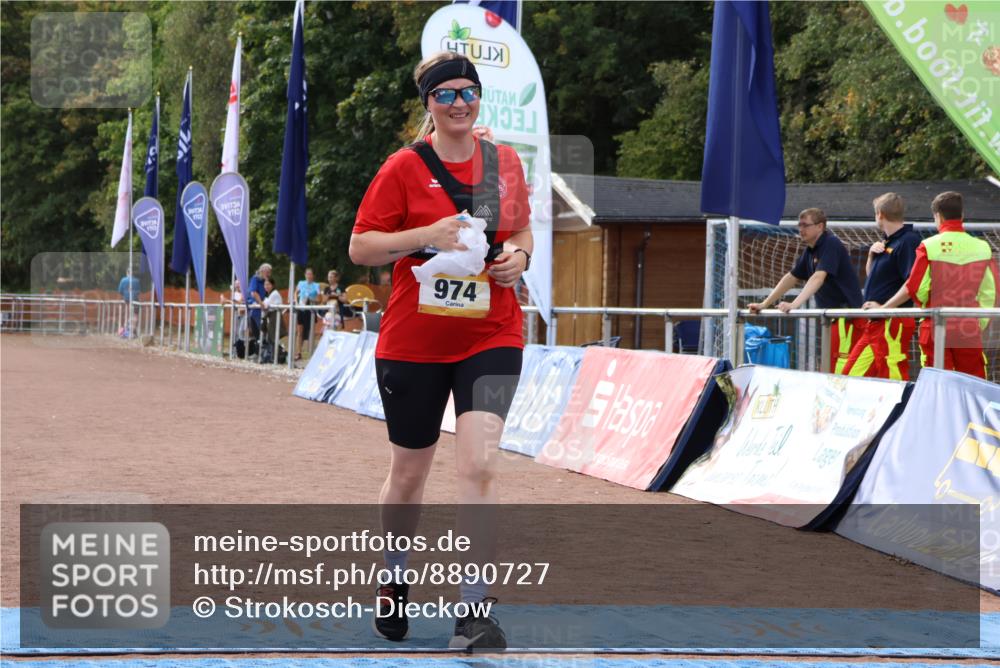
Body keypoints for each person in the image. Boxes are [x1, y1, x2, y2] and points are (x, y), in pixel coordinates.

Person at [349, 51, 532, 651]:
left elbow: (521, 229)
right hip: (414, 343)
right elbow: (361, 248)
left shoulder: (503, 163)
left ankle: (474, 611)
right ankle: (394, 578)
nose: (459, 102)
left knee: (479, 465)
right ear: (428, 104)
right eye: (446, 94)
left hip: (492, 334)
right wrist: (425, 235)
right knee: (409, 473)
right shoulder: (403, 167)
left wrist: (519, 259)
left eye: (468, 92)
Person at [864, 191, 997, 378]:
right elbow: (990, 293)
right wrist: (977, 322)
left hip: (935, 324)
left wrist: (926, 307)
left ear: (938, 216)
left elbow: (916, 287)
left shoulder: (929, 245)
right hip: (968, 325)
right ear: (962, 215)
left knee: (939, 382)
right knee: (972, 381)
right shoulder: (982, 247)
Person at [749, 208, 865, 374]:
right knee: (830, 368)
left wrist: (794, 304)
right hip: (834, 320)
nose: (801, 229)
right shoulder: (811, 251)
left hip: (848, 319)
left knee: (843, 371)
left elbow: (818, 277)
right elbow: (791, 277)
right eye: (799, 225)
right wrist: (764, 303)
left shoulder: (831, 243)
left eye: (805, 225)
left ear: (820, 226)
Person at [841, 193, 921, 380]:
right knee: (849, 376)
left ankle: (902, 409)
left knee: (893, 375)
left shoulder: (908, 241)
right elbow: (874, 277)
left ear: (880, 214)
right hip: (876, 322)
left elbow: (912, 282)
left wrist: (885, 308)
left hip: (892, 320)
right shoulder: (886, 241)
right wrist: (871, 256)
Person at [295, 267, 320, 360]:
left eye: (310, 274)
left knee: (310, 331)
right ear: (305, 275)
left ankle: (311, 352)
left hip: (310, 311)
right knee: (300, 332)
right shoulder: (301, 283)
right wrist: (296, 302)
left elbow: (319, 299)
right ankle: (298, 352)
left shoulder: (316, 285)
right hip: (301, 309)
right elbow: (295, 293)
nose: (309, 276)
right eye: (307, 274)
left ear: (313, 276)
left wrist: (311, 299)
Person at [247, 263, 272, 347]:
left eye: (270, 272)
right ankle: (260, 350)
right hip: (255, 309)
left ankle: (263, 350)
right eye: (268, 272)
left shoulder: (267, 281)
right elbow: (254, 293)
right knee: (258, 332)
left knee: (263, 332)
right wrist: (261, 303)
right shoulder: (255, 279)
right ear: (262, 271)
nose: (269, 274)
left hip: (262, 310)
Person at [262, 277, 283, 348]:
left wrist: (261, 304)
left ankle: (278, 352)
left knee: (273, 336)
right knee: (271, 336)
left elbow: (265, 306)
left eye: (268, 284)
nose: (266, 286)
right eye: (265, 285)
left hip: (274, 316)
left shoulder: (274, 293)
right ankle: (272, 353)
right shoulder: (269, 294)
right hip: (271, 316)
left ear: (273, 285)